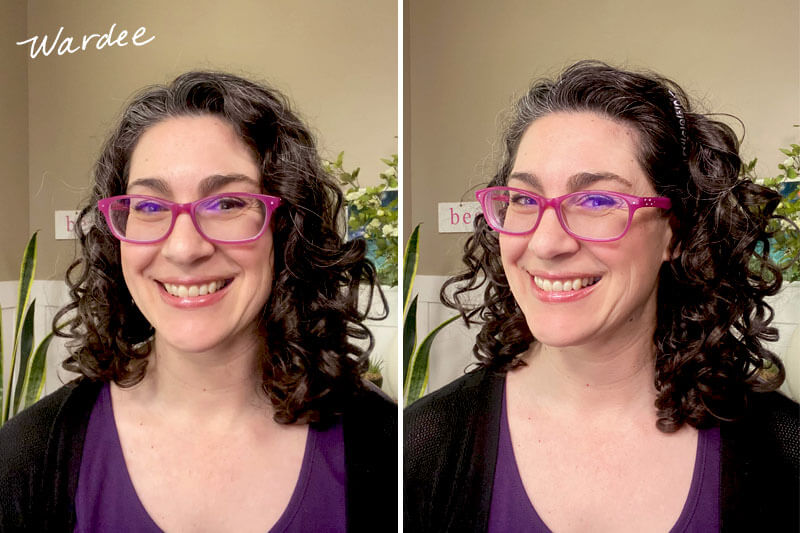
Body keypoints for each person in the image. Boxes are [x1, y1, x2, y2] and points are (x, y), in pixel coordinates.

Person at [404, 61, 799, 532]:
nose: (547, 244)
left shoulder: (783, 451)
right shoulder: (421, 444)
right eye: (524, 200)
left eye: (596, 202)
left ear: (675, 234)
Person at [0, 71, 396, 532]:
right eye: (148, 207)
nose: (184, 249)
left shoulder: (386, 445)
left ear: (286, 228)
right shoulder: (26, 459)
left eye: (227, 203)